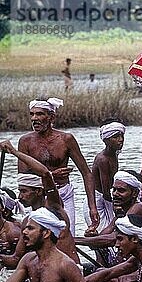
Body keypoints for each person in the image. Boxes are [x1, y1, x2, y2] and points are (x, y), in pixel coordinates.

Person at [19, 98, 99, 235]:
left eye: (39, 114)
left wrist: (93, 207)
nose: (34, 118)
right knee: (35, 239)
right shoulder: (25, 141)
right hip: (38, 197)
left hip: (63, 194)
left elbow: (86, 173)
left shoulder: (66, 139)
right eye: (32, 114)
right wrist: (51, 176)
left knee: (67, 236)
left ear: (51, 117)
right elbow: (23, 177)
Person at [0, 140, 80, 269]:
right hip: (47, 273)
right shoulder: (27, 222)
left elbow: (45, 173)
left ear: (38, 191)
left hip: (70, 272)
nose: (19, 197)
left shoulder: (54, 208)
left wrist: (14, 152)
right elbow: (15, 260)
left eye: (24, 191)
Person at [86, 120, 125, 232]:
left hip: (106, 198)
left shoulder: (114, 154)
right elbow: (106, 192)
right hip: (99, 202)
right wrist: (119, 206)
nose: (121, 140)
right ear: (106, 140)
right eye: (116, 137)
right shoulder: (103, 159)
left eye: (122, 136)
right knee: (105, 235)